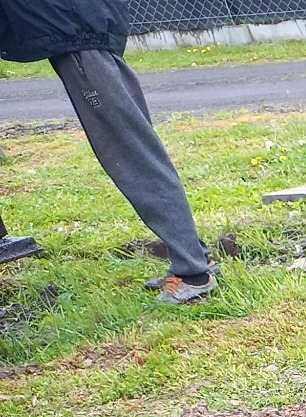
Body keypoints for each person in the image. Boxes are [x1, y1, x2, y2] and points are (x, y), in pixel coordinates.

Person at [0, 0, 216, 302]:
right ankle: (196, 257)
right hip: (81, 24)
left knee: (134, 154)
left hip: (76, 29)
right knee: (138, 148)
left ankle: (193, 275)